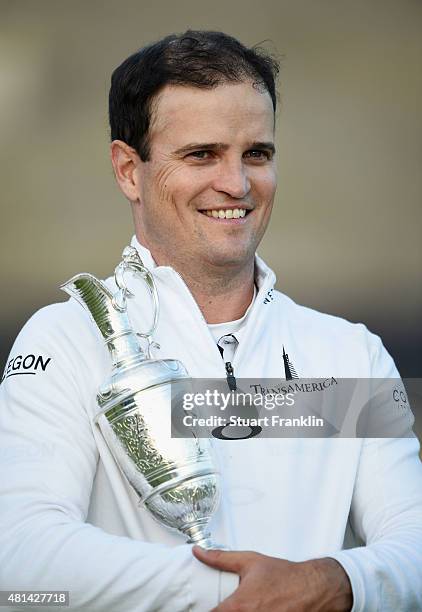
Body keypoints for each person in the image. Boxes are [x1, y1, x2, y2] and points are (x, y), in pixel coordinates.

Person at [0, 30, 421, 612]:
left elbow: (415, 547)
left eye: (257, 154)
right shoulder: (68, 340)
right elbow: (20, 562)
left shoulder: (351, 354)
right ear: (129, 170)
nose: (238, 184)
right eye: (202, 154)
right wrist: (247, 592)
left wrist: (333, 583)